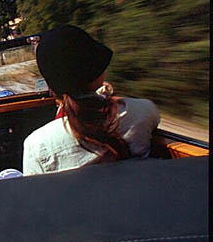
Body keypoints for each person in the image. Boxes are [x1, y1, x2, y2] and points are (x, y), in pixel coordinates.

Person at [22, 25, 160, 175]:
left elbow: (35, 195)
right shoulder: (144, 111)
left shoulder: (37, 145)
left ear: (52, 87)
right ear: (98, 73)